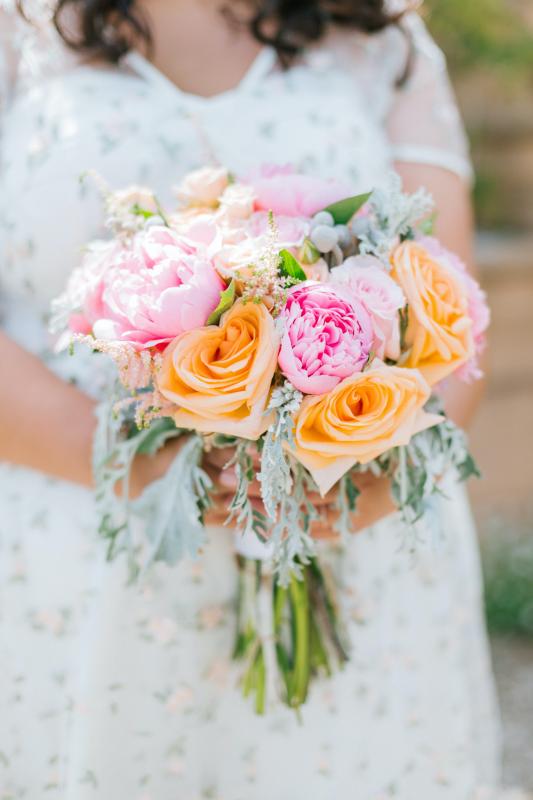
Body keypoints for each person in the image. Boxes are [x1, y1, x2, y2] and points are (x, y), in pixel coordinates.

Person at [0, 1, 507, 797]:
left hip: (354, 543)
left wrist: (354, 480)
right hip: (76, 547)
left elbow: (451, 311)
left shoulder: (380, 39)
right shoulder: (16, 32)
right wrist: (152, 463)